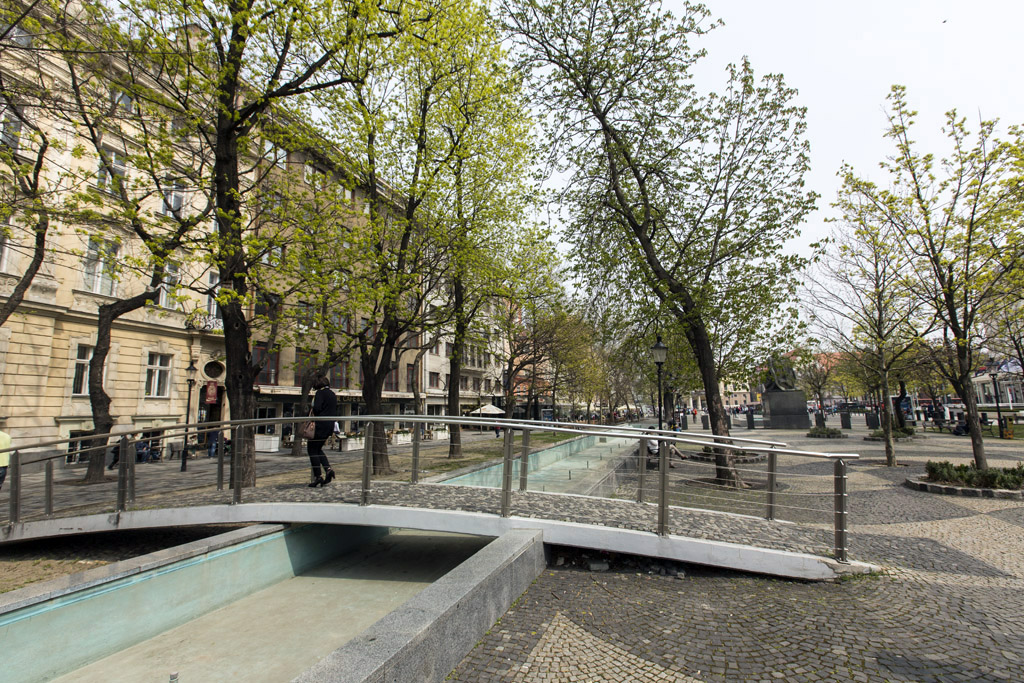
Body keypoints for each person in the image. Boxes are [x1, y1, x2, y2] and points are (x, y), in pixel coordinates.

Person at [307, 375, 338, 487]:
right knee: (318, 449)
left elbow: (317, 408)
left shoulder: (320, 393)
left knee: (312, 450)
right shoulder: (332, 394)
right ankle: (328, 469)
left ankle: (318, 476)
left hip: (319, 425)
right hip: (329, 426)